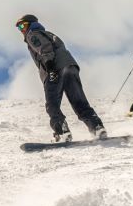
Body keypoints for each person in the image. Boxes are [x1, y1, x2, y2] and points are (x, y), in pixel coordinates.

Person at [15, 14, 106, 142]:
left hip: (55, 69)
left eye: (22, 25)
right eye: (19, 28)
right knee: (79, 101)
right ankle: (97, 127)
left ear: (30, 24)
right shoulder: (49, 33)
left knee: (52, 105)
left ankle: (62, 132)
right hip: (70, 67)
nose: (21, 30)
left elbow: (45, 49)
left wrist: (50, 67)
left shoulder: (33, 34)